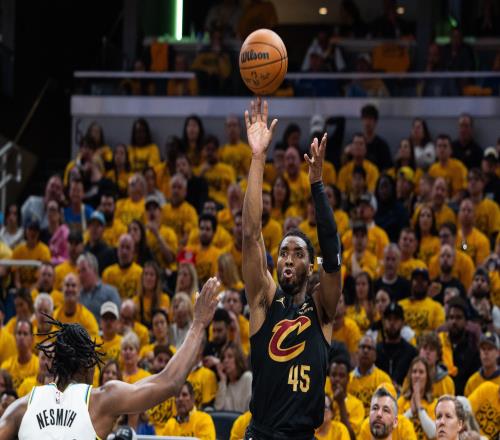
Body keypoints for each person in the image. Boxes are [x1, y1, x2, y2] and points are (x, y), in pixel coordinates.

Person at [0, 277, 220, 439]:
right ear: (88, 365)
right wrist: (198, 324)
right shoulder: (101, 401)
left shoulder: (21, 407)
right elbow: (170, 381)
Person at [242, 98, 342, 439]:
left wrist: (317, 184)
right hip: (261, 433)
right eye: (283, 252)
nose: (287, 258)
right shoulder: (264, 300)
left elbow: (332, 255)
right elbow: (250, 234)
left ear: (310, 266)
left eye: (298, 254)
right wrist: (258, 158)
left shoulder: (322, 310)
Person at [375, 302, 418, 386]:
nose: (392, 323)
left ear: (402, 323)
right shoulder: (376, 351)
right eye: (389, 319)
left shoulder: (411, 352)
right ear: (383, 322)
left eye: (396, 319)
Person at [347, 335, 392, 414]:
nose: (365, 351)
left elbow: (388, 408)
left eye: (369, 348)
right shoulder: (348, 379)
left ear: (375, 355)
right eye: (363, 347)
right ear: (357, 352)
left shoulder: (384, 379)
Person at [398, 356, 437, 440]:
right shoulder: (401, 402)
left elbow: (433, 434)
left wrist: (419, 407)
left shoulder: (434, 404)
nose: (417, 375)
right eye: (414, 371)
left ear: (427, 377)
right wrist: (411, 412)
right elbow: (394, 430)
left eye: (421, 372)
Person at [325, 358, 365, 439]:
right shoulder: (324, 401)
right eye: (333, 375)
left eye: (341, 376)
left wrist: (341, 403)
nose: (337, 379)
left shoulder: (357, 405)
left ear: (348, 379)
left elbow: (352, 437)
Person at [399, 268, 445, 337]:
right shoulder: (400, 305)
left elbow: (439, 333)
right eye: (416, 280)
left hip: (427, 342)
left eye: (423, 280)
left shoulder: (436, 307)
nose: (419, 283)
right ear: (411, 283)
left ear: (428, 284)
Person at [77, 253, 121, 323]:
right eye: (79, 272)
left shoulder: (110, 293)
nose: (80, 275)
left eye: (84, 270)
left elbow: (117, 319)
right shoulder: (77, 296)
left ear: (94, 270)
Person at [102, 234, 143, 300]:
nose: (124, 252)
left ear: (133, 252)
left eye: (128, 248)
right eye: (122, 247)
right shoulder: (108, 273)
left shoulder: (140, 273)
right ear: (117, 250)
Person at [214, 342, 252, 412]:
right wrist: (223, 380)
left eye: (230, 356)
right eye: (223, 358)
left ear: (238, 359)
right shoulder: (224, 384)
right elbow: (218, 409)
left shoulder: (247, 377)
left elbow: (250, 410)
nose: (225, 361)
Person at [464, 332, 500, 397]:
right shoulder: (472, 382)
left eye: (490, 349)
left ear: (498, 353)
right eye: (483, 349)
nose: (486, 352)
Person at [360, 104, 392, 172]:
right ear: (362, 120)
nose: (367, 123)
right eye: (365, 118)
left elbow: (387, 169)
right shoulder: (355, 143)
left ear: (375, 122)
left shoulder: (382, 145)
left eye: (370, 119)